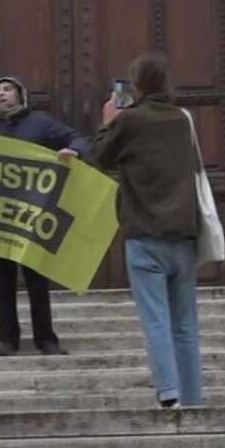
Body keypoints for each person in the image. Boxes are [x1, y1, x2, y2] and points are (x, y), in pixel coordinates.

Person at [90, 52, 204, 409]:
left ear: (135, 84)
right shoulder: (182, 119)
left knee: (156, 320)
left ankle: (168, 393)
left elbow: (99, 157)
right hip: (183, 234)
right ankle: (193, 395)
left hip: (145, 233)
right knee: (185, 325)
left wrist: (109, 121)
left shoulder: (131, 121)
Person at [0, 75, 88, 357]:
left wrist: (73, 151)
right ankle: (7, 338)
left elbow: (78, 138)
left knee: (37, 279)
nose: (2, 94)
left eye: (8, 89)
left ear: (20, 95)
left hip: (33, 214)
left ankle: (46, 338)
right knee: (2, 280)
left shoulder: (41, 124)